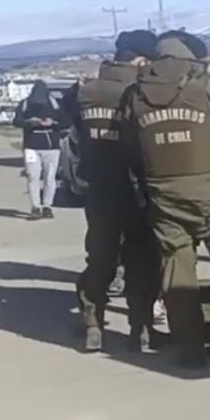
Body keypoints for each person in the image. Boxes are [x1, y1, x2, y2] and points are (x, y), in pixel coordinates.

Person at [120, 31, 210, 368]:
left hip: (163, 193)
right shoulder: (208, 89)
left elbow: (129, 147)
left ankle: (190, 349)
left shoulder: (134, 94)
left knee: (176, 270)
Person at [74, 30, 162, 353]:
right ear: (141, 59)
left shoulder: (85, 91)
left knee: (100, 259)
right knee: (141, 261)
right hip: (135, 188)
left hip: (98, 187)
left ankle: (93, 324)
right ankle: (141, 329)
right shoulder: (138, 91)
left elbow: (75, 132)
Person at [12, 81, 67, 220]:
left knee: (50, 177)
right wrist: (31, 121)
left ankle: (47, 206)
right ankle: (35, 207)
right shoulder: (24, 104)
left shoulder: (56, 104)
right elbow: (16, 121)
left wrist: (53, 123)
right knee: (32, 176)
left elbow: (67, 122)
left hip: (52, 146)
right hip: (31, 146)